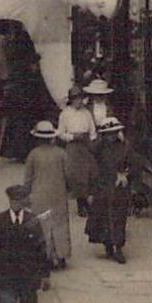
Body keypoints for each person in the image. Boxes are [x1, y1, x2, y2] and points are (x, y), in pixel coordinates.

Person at [22, 120, 70, 272]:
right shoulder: (61, 153)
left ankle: (45, 256)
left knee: (42, 225)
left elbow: (28, 178)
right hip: (58, 193)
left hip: (39, 194)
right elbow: (68, 174)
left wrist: (25, 195)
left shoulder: (33, 155)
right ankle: (61, 255)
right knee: (60, 224)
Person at [86, 116, 132, 263]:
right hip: (103, 187)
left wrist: (125, 174)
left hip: (119, 188)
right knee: (104, 216)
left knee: (119, 217)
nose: (112, 136)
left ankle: (118, 247)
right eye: (108, 133)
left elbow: (132, 163)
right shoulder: (99, 148)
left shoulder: (124, 146)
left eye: (114, 132)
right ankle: (108, 245)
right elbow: (92, 154)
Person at [57, 87, 97, 217]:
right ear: (72, 100)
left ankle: (89, 202)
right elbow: (61, 133)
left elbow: (92, 130)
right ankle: (81, 204)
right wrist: (73, 137)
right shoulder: (65, 114)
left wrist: (92, 141)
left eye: (81, 98)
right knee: (76, 175)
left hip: (86, 145)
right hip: (73, 145)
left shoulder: (86, 113)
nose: (79, 102)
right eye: (76, 99)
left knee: (89, 173)